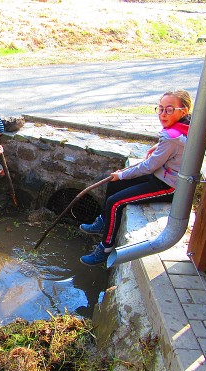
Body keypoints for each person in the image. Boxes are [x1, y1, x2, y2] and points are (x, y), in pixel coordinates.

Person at [79, 89, 192, 267]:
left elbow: (149, 166)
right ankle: (103, 222)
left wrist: (121, 174)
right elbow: (175, 144)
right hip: (160, 175)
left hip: (168, 186)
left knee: (115, 202)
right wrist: (159, 145)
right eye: (160, 109)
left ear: (183, 111)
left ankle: (105, 248)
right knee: (115, 185)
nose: (163, 114)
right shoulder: (186, 125)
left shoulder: (172, 138)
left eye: (169, 110)